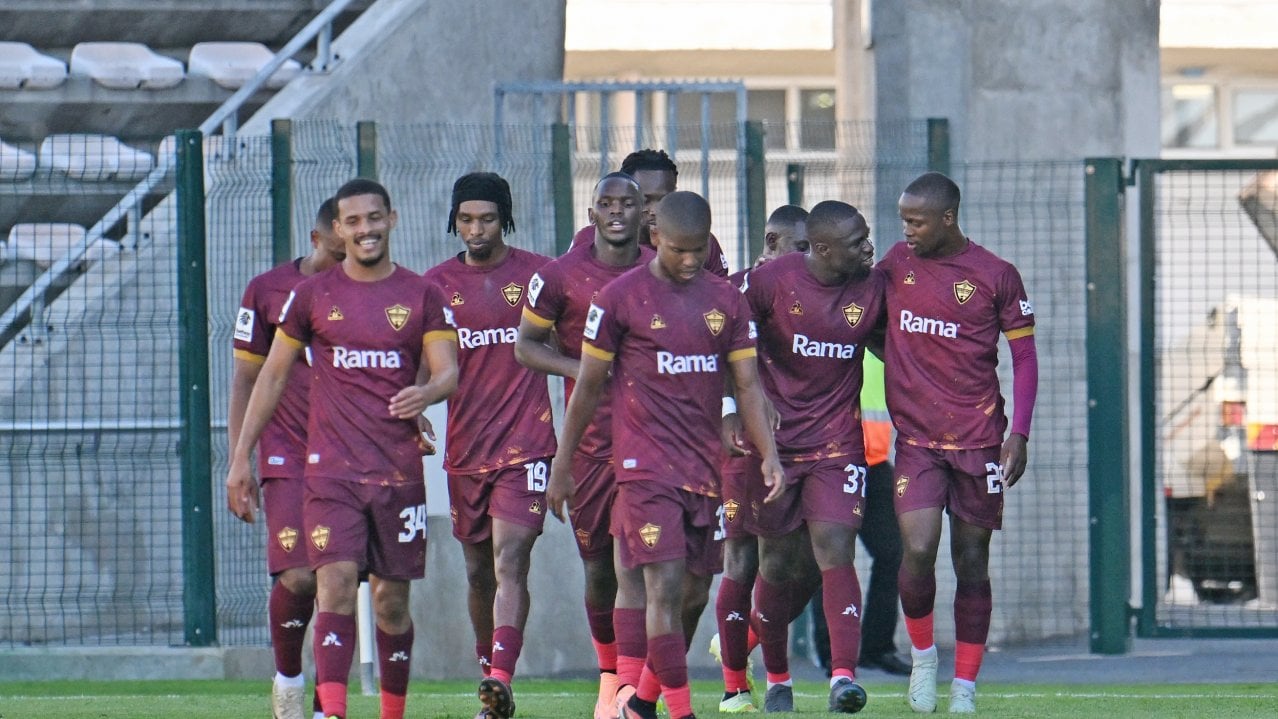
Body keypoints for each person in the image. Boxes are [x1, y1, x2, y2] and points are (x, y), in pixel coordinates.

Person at [226, 178, 460, 719]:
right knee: (328, 583)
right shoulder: (309, 297)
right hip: (329, 472)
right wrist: (241, 457)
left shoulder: (421, 294)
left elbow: (447, 369)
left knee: (391, 601)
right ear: (337, 229)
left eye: (374, 218)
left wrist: (425, 392)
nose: (365, 230)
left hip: (398, 472)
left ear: (392, 219)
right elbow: (270, 378)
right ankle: (330, 710)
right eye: (353, 222)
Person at [548, 191, 785, 719]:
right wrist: (562, 464)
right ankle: (679, 710)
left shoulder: (726, 300)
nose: (689, 260)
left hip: (705, 468)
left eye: (698, 250)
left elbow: (746, 385)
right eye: (679, 249)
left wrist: (767, 454)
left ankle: (644, 702)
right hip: (643, 467)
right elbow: (587, 386)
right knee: (662, 584)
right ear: (656, 239)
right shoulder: (618, 298)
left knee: (696, 592)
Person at [879, 171, 1038, 714]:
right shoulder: (895, 266)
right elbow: (863, 321)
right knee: (918, 548)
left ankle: (965, 688)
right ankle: (924, 661)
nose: (907, 231)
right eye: (903, 220)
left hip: (980, 441)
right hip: (918, 442)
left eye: (916, 220)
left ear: (948, 217)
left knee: (972, 561)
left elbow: (1024, 357)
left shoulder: (995, 275)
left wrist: (1019, 431)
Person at [725, 200, 886, 714]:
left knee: (835, 548)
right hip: (772, 445)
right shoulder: (769, 282)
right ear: (822, 249)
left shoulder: (872, 287)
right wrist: (733, 406)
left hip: (837, 444)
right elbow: (721, 335)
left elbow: (900, 346)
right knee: (773, 562)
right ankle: (776, 680)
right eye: (858, 240)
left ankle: (843, 679)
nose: (869, 247)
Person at [514, 172, 651, 719]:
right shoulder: (559, 276)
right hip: (590, 444)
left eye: (628, 203)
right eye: (606, 203)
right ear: (591, 212)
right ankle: (610, 675)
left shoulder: (660, 273)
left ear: (645, 213)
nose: (617, 212)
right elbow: (525, 346)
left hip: (652, 445)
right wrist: (585, 371)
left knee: (637, 565)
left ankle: (631, 697)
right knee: (600, 572)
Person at [422, 172, 556, 719]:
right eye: (466, 219)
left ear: (506, 219)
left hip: (527, 442)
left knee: (510, 559)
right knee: (477, 570)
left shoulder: (538, 277)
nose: (476, 230)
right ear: (454, 220)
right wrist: (411, 414)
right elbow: (416, 357)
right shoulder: (434, 286)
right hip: (465, 449)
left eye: (487, 219)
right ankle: (489, 679)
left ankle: (502, 674)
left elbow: (576, 343)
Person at [226, 197, 344, 719]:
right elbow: (247, 379)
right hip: (288, 455)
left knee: (337, 581)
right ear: (318, 239)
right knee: (298, 577)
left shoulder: (375, 291)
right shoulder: (268, 290)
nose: (350, 263)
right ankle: (289, 680)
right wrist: (238, 460)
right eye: (340, 250)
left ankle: (327, 706)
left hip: (354, 456)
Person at [713, 203, 818, 713]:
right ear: (772, 244)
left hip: (804, 445)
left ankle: (745, 636)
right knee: (741, 558)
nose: (809, 259)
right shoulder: (736, 289)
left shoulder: (819, 289)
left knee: (810, 565)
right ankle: (737, 686)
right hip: (743, 447)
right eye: (801, 248)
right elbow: (712, 356)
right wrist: (730, 409)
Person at [810, 352, 911, 678]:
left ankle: (877, 647)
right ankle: (830, 654)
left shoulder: (880, 338)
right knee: (828, 559)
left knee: (894, 551)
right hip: (830, 462)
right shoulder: (834, 330)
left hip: (874, 462)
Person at [571, 148, 729, 279]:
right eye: (646, 200)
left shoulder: (699, 241)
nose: (655, 210)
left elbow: (721, 298)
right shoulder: (590, 239)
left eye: (664, 199)